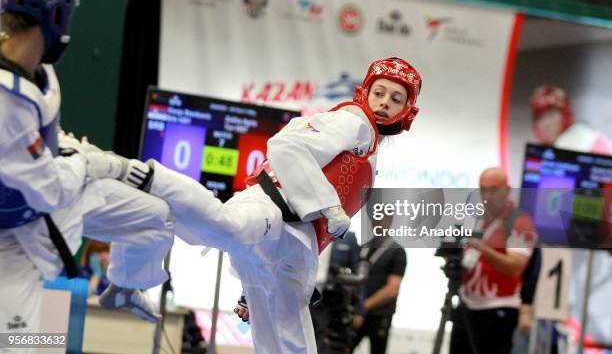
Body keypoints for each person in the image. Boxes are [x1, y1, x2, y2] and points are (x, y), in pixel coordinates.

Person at [86, 57, 423, 353]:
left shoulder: (369, 146)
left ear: (407, 109)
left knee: (289, 341)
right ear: (365, 92)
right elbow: (286, 146)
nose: (384, 103)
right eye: (379, 93)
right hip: (273, 210)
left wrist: (253, 286)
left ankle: (128, 259)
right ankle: (134, 172)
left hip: (291, 246)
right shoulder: (355, 122)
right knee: (223, 225)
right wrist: (331, 208)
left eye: (395, 99)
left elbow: (320, 227)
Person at [0, 0, 174, 340]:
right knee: (26, 345)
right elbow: (50, 189)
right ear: (56, 15)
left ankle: (125, 287)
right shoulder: (5, 101)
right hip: (15, 234)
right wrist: (101, 163)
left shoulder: (38, 70)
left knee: (157, 217)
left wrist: (74, 152)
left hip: (57, 199)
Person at [530, 85, 612, 351]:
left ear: (564, 114)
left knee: (580, 312)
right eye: (541, 116)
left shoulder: (583, 143)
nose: (547, 122)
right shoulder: (554, 150)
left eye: (552, 114)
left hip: (588, 245)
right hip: (562, 243)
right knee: (559, 312)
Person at [449, 167, 537, 354]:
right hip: (466, 304)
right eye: (483, 189)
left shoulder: (519, 221)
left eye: (493, 190)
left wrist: (482, 248)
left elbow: (515, 267)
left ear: (507, 189)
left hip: (497, 309)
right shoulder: (475, 217)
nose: (487, 195)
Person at [351, 214, 406, 354]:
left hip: (379, 315)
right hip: (356, 313)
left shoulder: (397, 252)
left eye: (384, 218)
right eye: (376, 218)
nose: (379, 222)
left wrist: (364, 307)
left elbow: (392, 289)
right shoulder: (363, 247)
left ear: (391, 221)